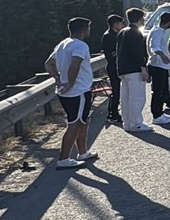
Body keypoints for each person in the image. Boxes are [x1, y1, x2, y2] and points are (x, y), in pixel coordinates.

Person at [44, 17, 99, 168]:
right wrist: (69, 83)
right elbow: (75, 65)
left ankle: (83, 152)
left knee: (83, 120)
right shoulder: (81, 45)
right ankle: (63, 158)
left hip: (70, 91)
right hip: (78, 91)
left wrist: (58, 78)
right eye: (88, 28)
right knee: (74, 123)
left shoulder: (62, 44)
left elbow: (48, 64)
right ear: (83, 30)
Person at [116, 7, 152, 132]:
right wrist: (143, 68)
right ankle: (136, 123)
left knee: (125, 98)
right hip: (134, 69)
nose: (144, 20)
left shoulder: (122, 32)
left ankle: (127, 123)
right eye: (143, 18)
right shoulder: (136, 32)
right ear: (140, 18)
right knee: (137, 98)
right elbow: (138, 52)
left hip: (123, 69)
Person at [146, 12, 170, 125]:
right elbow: (154, 47)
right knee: (158, 92)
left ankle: (160, 113)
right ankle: (156, 115)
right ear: (169, 22)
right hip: (157, 65)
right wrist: (163, 56)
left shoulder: (157, 31)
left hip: (162, 66)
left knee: (164, 91)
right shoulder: (157, 32)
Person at [102, 14, 125, 125]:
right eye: (121, 23)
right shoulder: (108, 36)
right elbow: (110, 54)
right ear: (115, 24)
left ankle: (116, 112)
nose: (122, 25)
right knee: (115, 91)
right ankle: (112, 114)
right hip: (113, 66)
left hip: (118, 66)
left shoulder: (117, 35)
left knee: (119, 91)